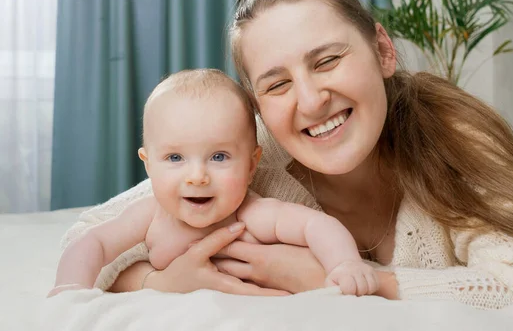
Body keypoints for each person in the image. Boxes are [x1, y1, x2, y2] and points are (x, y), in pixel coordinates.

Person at [59, 0, 513, 309]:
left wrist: (348, 282)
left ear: (383, 50)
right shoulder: (249, 154)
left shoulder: (455, 136)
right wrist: (160, 282)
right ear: (256, 106)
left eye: (327, 60)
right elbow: (96, 237)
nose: (311, 101)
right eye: (276, 84)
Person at [48, 69, 379, 298]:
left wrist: (345, 264)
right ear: (148, 166)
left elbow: (316, 225)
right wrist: (70, 289)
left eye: (219, 157)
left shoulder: (251, 214)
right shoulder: (150, 216)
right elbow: (94, 243)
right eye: (175, 158)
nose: (197, 176)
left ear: (251, 165)